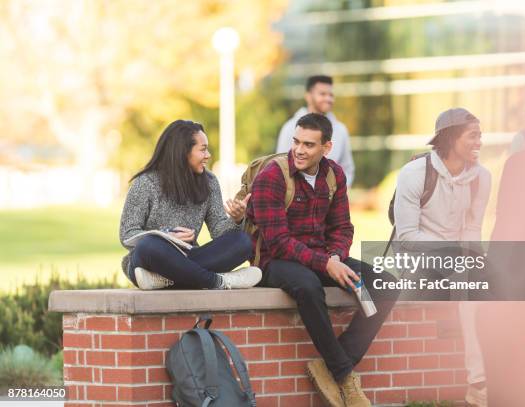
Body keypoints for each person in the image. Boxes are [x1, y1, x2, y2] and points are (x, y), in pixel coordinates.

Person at [248, 113, 397, 407]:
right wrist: (325, 264)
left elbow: (342, 228)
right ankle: (344, 376)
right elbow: (277, 242)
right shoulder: (272, 176)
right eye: (296, 142)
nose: (299, 150)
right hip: (274, 262)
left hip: (321, 257)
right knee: (307, 285)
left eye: (309, 144)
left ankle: (330, 365)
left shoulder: (334, 175)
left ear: (326, 148)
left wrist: (335, 257)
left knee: (386, 284)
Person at [393, 108, 492, 407]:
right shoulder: (414, 173)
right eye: (472, 135)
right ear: (450, 139)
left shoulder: (481, 178)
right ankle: (478, 381)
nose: (480, 142)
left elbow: (473, 230)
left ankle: (500, 374)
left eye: (480, 135)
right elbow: (408, 237)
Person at [119, 119, 261, 290]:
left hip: (190, 256)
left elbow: (218, 232)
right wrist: (166, 236)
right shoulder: (145, 183)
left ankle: (167, 280)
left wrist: (236, 219)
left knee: (242, 242)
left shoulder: (209, 182)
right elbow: (127, 235)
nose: (208, 155)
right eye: (203, 150)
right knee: (148, 245)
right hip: (154, 258)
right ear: (183, 152)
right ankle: (218, 281)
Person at [276, 75, 355, 187]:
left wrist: (339, 193)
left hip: (330, 200)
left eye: (331, 95)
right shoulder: (290, 128)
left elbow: (347, 168)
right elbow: (280, 166)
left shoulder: (341, 130)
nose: (328, 99)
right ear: (308, 96)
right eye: (322, 94)